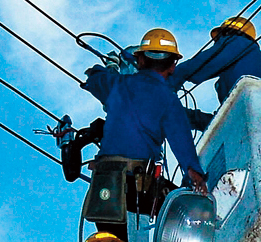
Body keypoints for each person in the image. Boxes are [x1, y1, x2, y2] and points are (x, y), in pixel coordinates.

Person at [81, 28, 208, 192]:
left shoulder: (117, 85)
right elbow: (181, 141)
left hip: (104, 181)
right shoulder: (169, 100)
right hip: (137, 185)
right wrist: (195, 175)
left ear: (140, 61)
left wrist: (101, 69)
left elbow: (96, 80)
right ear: (172, 66)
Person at [172, 15, 261, 105]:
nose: (216, 43)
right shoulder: (228, 78)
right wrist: (187, 115)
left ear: (227, 34)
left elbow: (200, 64)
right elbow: (227, 117)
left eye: (219, 38)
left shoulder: (238, 43)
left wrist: (169, 76)